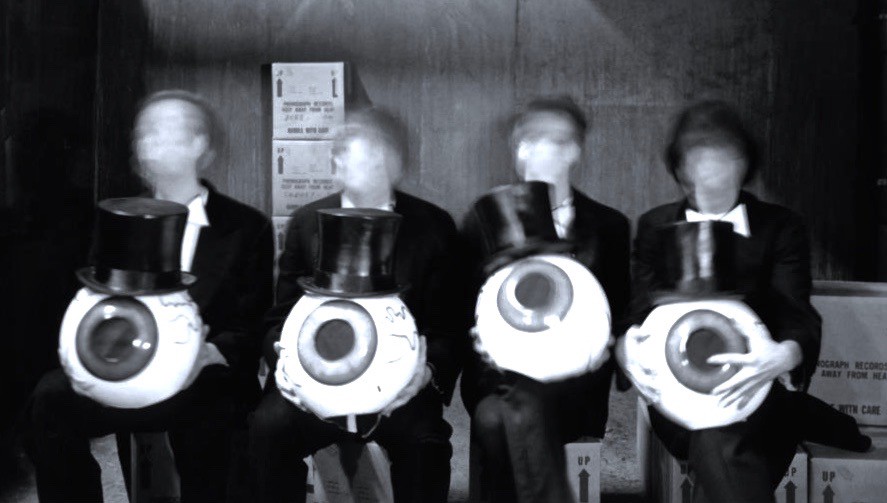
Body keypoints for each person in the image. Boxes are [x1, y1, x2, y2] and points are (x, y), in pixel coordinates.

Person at [24, 89, 274, 503]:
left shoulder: (246, 226)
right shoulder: (115, 218)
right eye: (144, 134)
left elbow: (251, 327)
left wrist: (207, 354)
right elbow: (95, 305)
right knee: (50, 398)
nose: (148, 142)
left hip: (203, 376)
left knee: (220, 415)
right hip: (124, 371)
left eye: (163, 132)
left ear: (199, 145)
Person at [619, 100, 868, 503]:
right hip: (679, 395)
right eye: (700, 160)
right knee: (717, 436)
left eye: (725, 159)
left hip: (761, 388)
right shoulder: (655, 226)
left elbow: (798, 316)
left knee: (723, 445)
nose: (713, 172)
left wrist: (784, 355)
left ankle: (797, 412)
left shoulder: (781, 227)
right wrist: (627, 348)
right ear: (681, 170)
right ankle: (804, 415)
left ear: (744, 164)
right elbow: (635, 314)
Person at [249, 107, 468, 503]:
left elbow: (448, 327)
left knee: (426, 444)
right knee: (266, 430)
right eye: (339, 151)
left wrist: (428, 373)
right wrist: (282, 359)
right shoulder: (307, 222)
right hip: (311, 384)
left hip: (399, 388)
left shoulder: (434, 226)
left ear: (391, 161)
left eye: (355, 149)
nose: (340, 159)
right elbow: (278, 318)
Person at [460, 97, 631, 502]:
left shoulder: (609, 226)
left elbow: (623, 309)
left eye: (549, 141)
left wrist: (611, 343)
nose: (533, 151)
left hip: (576, 381)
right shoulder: (484, 220)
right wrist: (475, 338)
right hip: (499, 377)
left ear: (574, 151)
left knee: (497, 420)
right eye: (526, 141)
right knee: (507, 406)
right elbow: (461, 309)